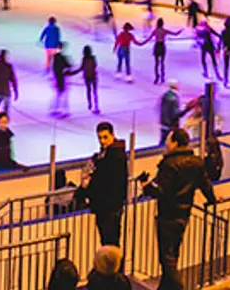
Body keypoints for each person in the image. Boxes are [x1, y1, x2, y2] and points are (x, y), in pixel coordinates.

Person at [141, 128, 216, 290]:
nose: (166, 144)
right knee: (173, 254)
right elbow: (205, 185)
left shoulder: (169, 164)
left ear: (174, 143)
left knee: (167, 258)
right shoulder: (196, 162)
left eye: (168, 140)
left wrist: (146, 187)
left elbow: (162, 192)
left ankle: (178, 287)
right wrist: (213, 200)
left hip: (168, 215)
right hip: (184, 213)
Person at [88, 122, 128, 246]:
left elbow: (105, 181)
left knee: (110, 244)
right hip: (105, 207)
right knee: (107, 244)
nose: (102, 141)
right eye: (99, 138)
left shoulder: (115, 156)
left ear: (112, 135)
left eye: (105, 137)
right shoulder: (105, 154)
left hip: (110, 208)